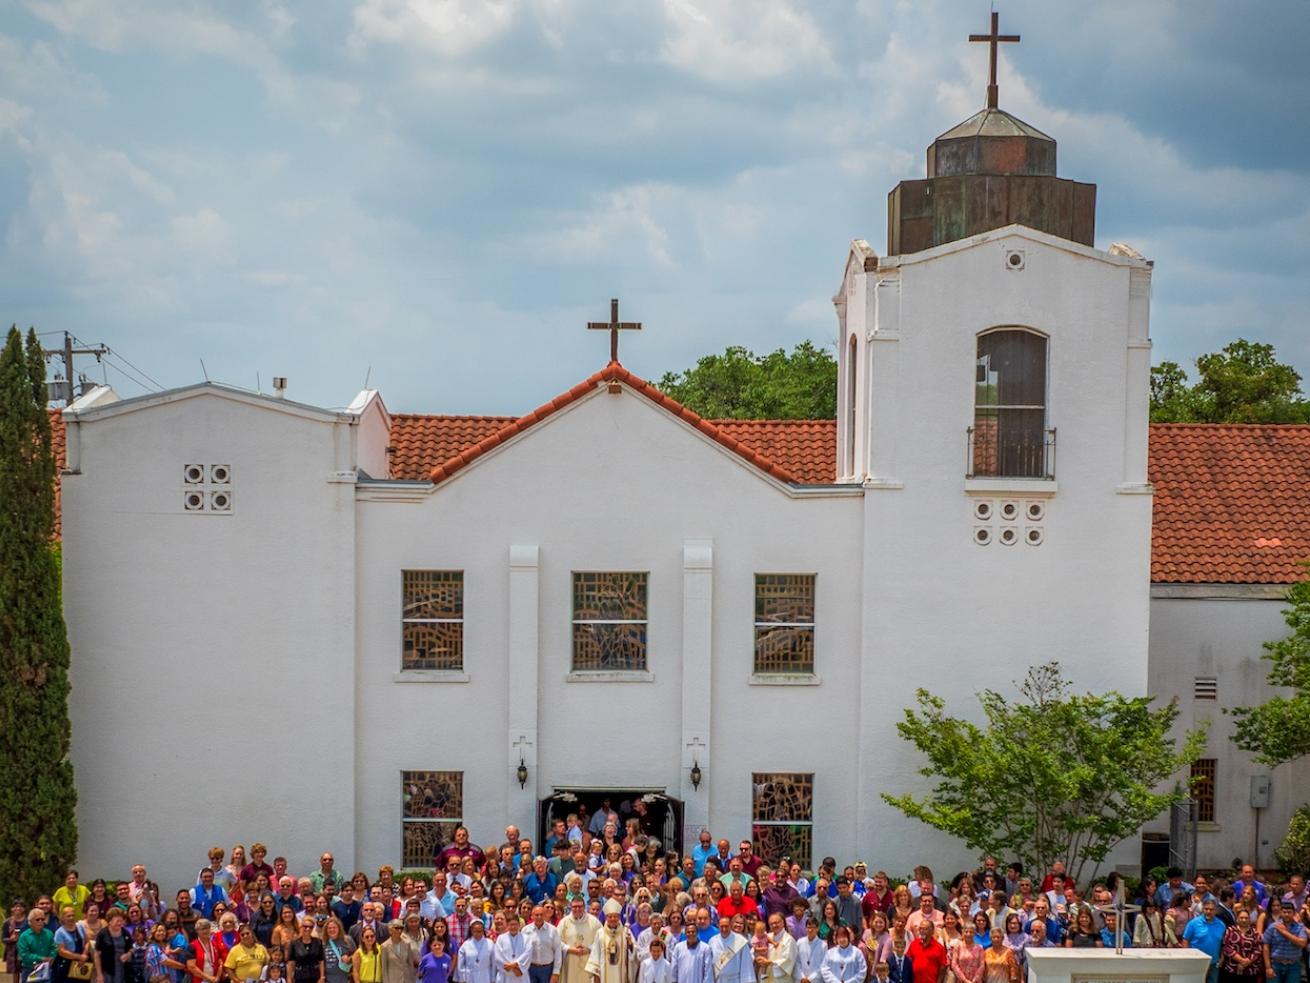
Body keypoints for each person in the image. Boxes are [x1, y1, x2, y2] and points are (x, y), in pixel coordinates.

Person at [585, 902, 636, 983]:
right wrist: (596, 975)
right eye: (610, 917)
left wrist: (630, 945)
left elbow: (634, 954)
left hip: (621, 975)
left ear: (619, 918)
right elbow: (595, 954)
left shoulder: (626, 932)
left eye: (615, 916)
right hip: (603, 975)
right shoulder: (600, 933)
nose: (613, 919)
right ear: (606, 918)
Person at [1261, 900, 1307, 983]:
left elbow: (1302, 943)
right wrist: (1268, 967)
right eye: (1284, 912)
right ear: (1281, 912)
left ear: (1293, 913)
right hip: (1276, 964)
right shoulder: (1273, 927)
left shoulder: (1300, 927)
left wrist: (1284, 932)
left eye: (1289, 912)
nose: (1286, 915)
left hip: (1294, 966)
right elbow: (1265, 946)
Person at [1182, 901, 1226, 983]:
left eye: (1211, 909)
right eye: (1206, 909)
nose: (1208, 911)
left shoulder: (1221, 925)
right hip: (1197, 961)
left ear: (1216, 911)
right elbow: (1185, 939)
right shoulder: (1193, 923)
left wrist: (1222, 957)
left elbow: (1223, 943)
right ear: (1203, 909)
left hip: (1213, 962)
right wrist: (1187, 955)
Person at [559, 900, 600, 983]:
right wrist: (570, 949)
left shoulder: (594, 922)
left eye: (580, 906)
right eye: (574, 907)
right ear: (571, 907)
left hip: (588, 961)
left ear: (584, 907)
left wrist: (589, 949)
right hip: (570, 962)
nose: (577, 909)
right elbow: (557, 942)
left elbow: (601, 940)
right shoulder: (564, 922)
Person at [1218, 909, 1261, 983]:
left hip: (1250, 971)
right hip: (1233, 970)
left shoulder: (1255, 933)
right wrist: (1241, 960)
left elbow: (1258, 950)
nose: (1244, 920)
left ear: (1249, 919)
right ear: (1237, 919)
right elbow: (1227, 947)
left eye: (1246, 918)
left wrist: (1246, 962)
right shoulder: (1230, 931)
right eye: (1241, 918)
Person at [95, 907, 133, 983]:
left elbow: (131, 948)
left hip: (123, 969)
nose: (119, 923)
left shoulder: (125, 932)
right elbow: (97, 955)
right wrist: (99, 974)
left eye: (121, 921)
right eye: (117, 921)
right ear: (109, 921)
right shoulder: (103, 934)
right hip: (108, 970)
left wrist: (128, 954)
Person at [52, 907, 88, 983]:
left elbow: (87, 942)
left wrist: (84, 955)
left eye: (73, 915)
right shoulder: (59, 932)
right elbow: (61, 951)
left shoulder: (80, 927)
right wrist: (79, 957)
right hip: (67, 964)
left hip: (83, 962)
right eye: (68, 916)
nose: (71, 918)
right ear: (63, 918)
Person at [289, 918, 327, 983]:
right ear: (301, 927)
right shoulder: (294, 944)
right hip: (300, 977)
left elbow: (321, 961)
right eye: (305, 927)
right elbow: (290, 963)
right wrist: (289, 979)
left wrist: (322, 977)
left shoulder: (318, 942)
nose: (307, 929)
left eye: (310, 927)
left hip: (315, 976)